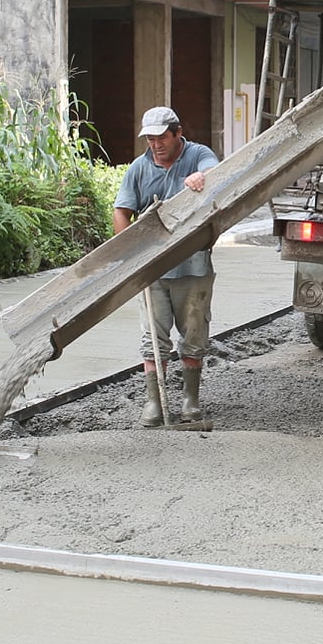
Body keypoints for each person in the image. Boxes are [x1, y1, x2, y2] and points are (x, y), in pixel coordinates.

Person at [112, 105, 219, 427]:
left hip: (193, 267)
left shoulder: (198, 155)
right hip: (154, 270)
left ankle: (190, 401)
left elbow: (215, 172)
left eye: (162, 138)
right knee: (153, 337)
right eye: (150, 139)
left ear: (178, 133)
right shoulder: (139, 169)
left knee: (194, 333)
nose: (156, 145)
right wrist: (132, 254)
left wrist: (202, 177)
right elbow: (121, 211)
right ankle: (154, 403)